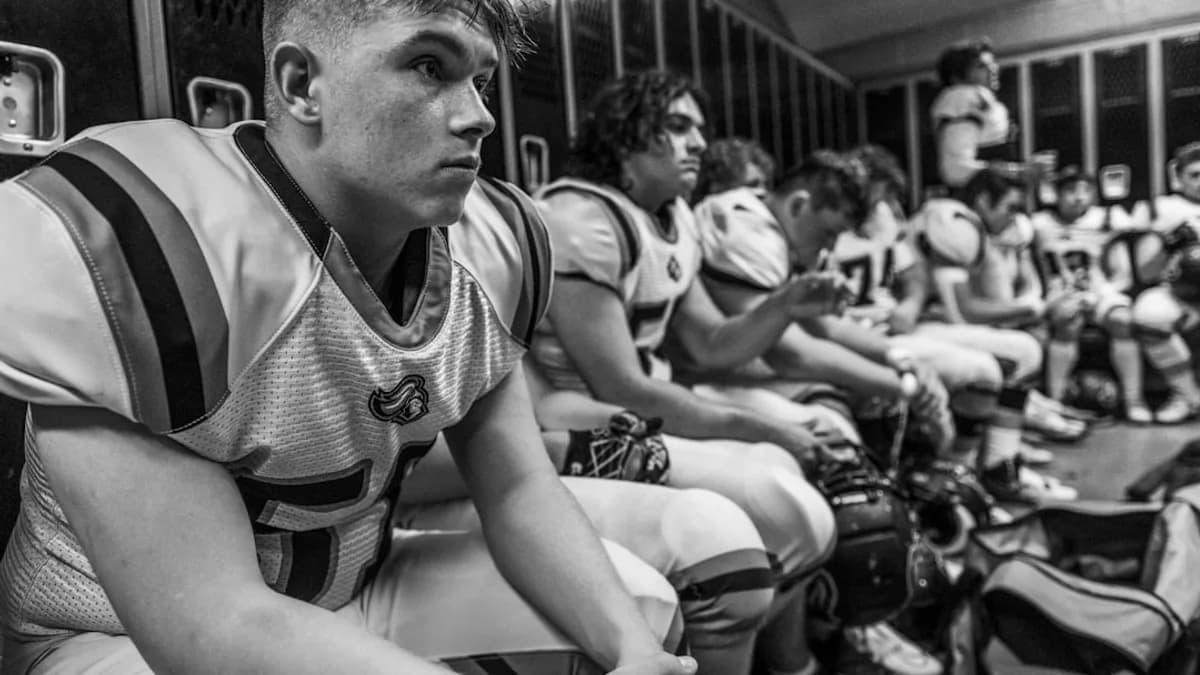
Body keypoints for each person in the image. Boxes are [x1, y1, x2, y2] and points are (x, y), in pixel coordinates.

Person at [0, 2, 695, 674]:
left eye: (480, 79)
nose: (480, 115)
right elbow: (216, 624)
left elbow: (516, 487)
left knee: (644, 607)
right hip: (113, 636)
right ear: (304, 84)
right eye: (430, 66)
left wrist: (636, 651)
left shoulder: (494, 245)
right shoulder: (139, 239)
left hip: (351, 585)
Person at [529, 69, 848, 675]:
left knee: (795, 477)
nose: (699, 143)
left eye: (699, 128)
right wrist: (762, 427)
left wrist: (784, 306)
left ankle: (783, 657)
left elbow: (707, 344)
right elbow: (621, 386)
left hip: (643, 407)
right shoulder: (581, 219)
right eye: (677, 127)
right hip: (592, 424)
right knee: (786, 507)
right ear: (625, 137)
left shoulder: (668, 216)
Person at [692, 149, 948, 675]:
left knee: (857, 432)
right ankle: (824, 635)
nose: (831, 247)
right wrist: (895, 384)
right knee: (840, 466)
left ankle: (850, 613)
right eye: (828, 235)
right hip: (705, 382)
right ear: (801, 203)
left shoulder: (798, 232)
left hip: (746, 376)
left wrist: (899, 361)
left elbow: (828, 327)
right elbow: (781, 349)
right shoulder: (744, 226)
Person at [911, 167, 1079, 502]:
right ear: (984, 200)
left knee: (1019, 347)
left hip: (918, 322)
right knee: (1021, 351)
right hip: (905, 328)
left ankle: (999, 457)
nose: (1014, 218)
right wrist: (1031, 308)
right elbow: (963, 312)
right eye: (1010, 207)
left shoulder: (971, 227)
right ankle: (983, 468)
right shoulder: (952, 223)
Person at [1029, 166, 1150, 421]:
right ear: (1057, 194)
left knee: (1122, 321)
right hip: (1060, 292)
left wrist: (1096, 296)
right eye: (1071, 190)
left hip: (1100, 292)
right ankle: (1055, 403)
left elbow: (1122, 273)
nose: (1079, 197)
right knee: (1067, 321)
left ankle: (1134, 400)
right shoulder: (1038, 224)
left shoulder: (1107, 219)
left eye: (1086, 190)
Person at [1130, 142, 1200, 422]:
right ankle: (1187, 395)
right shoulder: (1163, 209)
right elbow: (1145, 271)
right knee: (1149, 314)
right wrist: (1170, 243)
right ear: (1179, 178)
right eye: (1195, 175)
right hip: (1178, 292)